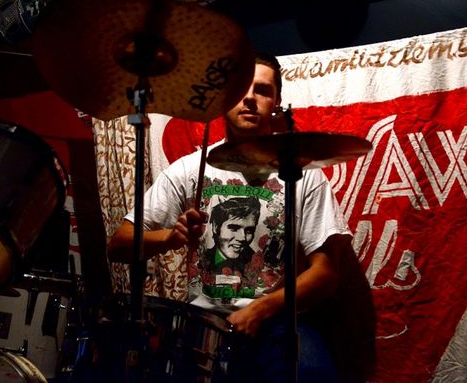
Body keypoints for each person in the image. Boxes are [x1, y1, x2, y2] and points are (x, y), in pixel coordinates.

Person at [108, 52, 355, 382]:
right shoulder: (189, 170)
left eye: (263, 90)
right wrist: (169, 238)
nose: (250, 99)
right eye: (241, 90)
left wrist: (261, 309)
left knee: (313, 373)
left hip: (280, 319)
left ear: (277, 102)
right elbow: (119, 245)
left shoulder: (303, 174)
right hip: (204, 320)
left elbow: (326, 274)